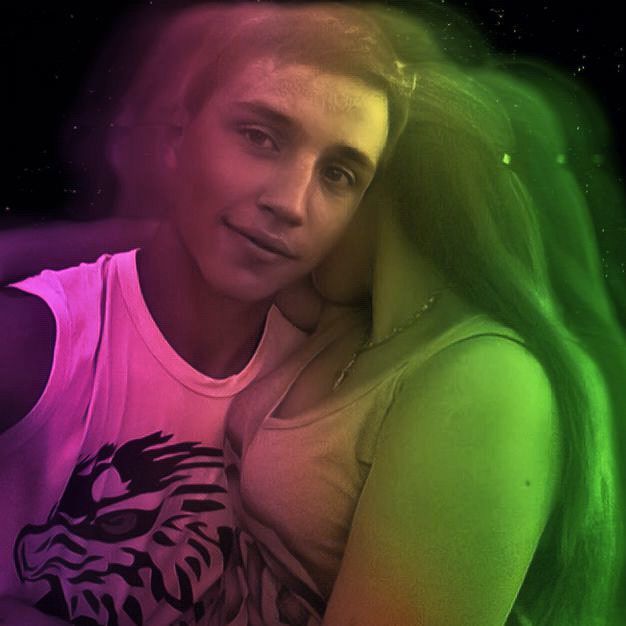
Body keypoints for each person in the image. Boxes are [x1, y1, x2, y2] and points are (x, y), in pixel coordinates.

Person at [0, 3, 417, 625]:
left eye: (338, 173)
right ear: (176, 139)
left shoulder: (333, 390)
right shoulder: (32, 344)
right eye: (260, 137)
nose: (290, 203)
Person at [213, 8, 625, 625]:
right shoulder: (352, 322)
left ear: (389, 189)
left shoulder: (486, 380)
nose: (298, 206)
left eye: (337, 176)